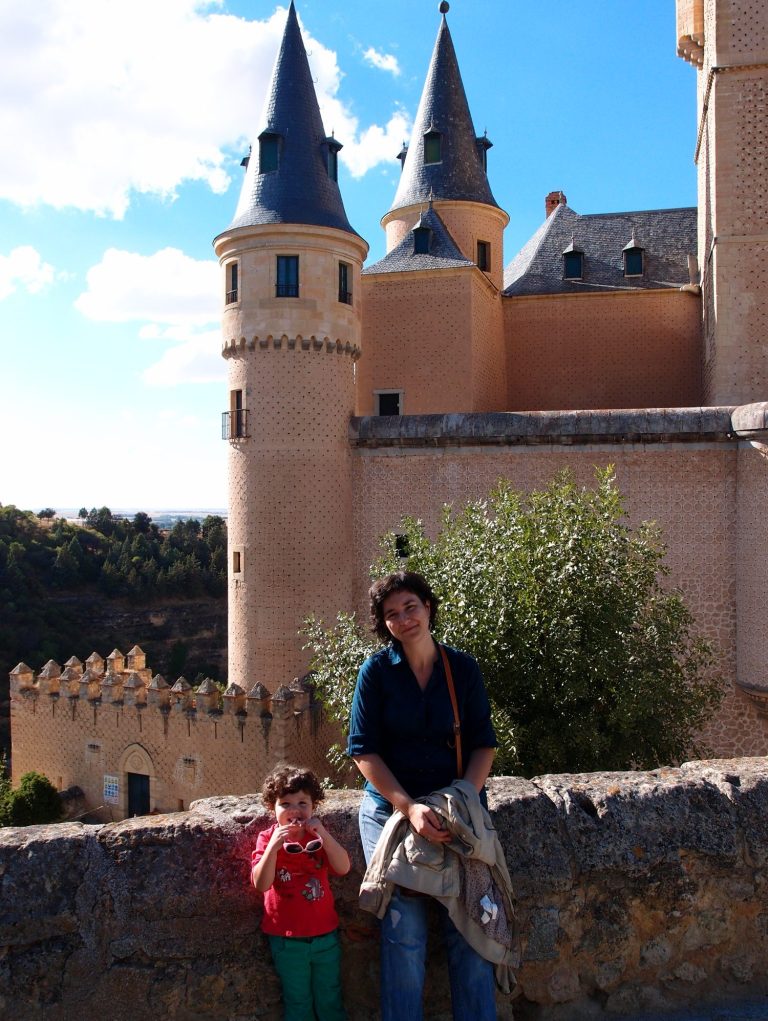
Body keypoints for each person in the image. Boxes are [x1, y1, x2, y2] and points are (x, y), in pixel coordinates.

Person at [347, 570, 499, 1021]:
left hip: (456, 808)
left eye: (410, 607)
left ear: (428, 607)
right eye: (392, 614)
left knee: (472, 928)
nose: (404, 619)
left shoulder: (462, 669)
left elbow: (483, 745)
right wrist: (409, 807)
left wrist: (461, 802)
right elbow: (363, 751)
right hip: (390, 810)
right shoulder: (376, 673)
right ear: (383, 623)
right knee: (405, 926)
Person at [251, 764, 350, 1021]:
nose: (295, 810)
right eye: (285, 804)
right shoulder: (267, 838)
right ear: (272, 808)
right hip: (287, 939)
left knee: (330, 997)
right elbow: (261, 884)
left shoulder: (317, 837)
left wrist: (323, 833)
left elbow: (343, 867)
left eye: (302, 803)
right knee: (298, 1001)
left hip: (324, 934)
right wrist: (273, 848)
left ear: (314, 806)